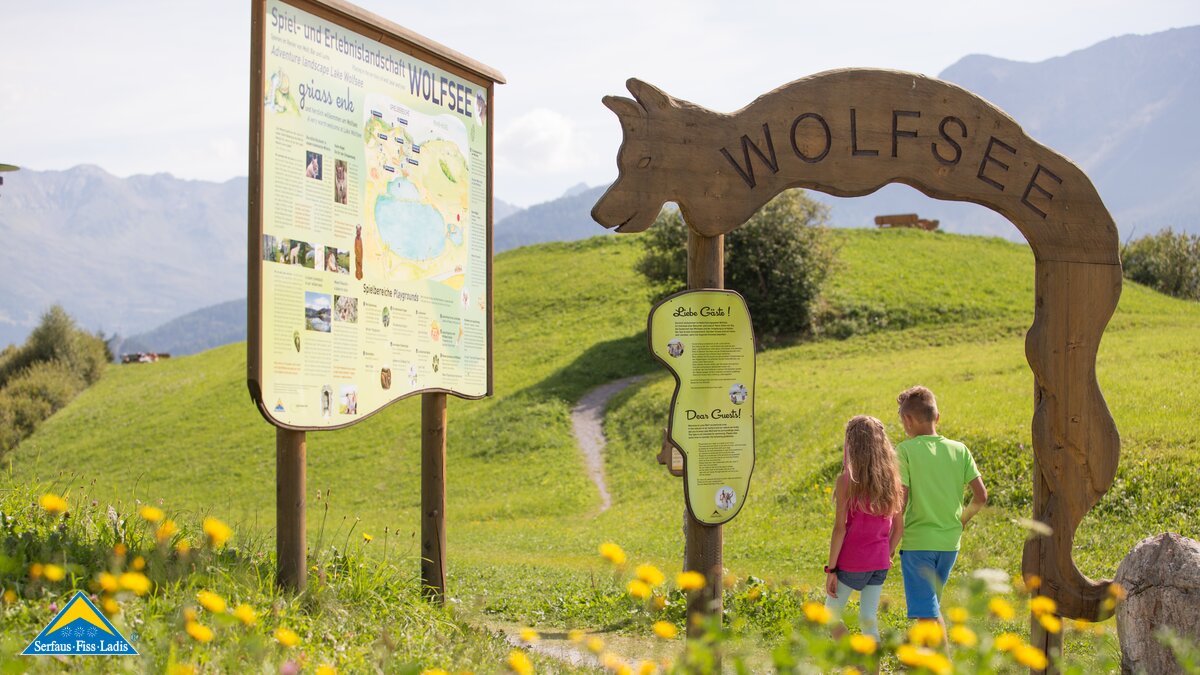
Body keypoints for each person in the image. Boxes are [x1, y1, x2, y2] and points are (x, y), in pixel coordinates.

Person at [895, 385, 988, 637]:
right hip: (949, 544)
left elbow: (900, 502)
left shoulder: (904, 451)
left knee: (927, 618)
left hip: (918, 545)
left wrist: (891, 540)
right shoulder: (960, 450)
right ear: (937, 416)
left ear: (907, 420)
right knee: (931, 610)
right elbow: (981, 496)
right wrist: (962, 520)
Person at [824, 415, 904, 641]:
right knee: (868, 621)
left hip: (852, 562)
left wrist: (831, 570)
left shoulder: (846, 482)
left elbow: (839, 530)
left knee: (830, 615)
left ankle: (856, 664)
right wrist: (886, 554)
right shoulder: (893, 482)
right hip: (879, 564)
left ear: (852, 445)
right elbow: (898, 529)